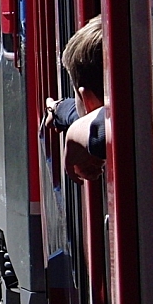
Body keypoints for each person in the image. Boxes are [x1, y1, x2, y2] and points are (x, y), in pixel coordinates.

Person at [44, 15, 106, 181]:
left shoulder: (138, 132)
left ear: (88, 101)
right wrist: (59, 109)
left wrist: (73, 133)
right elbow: (84, 114)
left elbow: (110, 124)